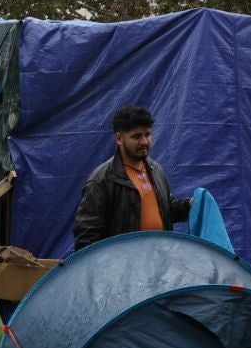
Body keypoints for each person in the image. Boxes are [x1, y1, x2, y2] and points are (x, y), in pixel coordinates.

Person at [73, 104, 192, 250]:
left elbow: (168, 210)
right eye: (136, 136)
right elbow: (86, 236)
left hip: (159, 262)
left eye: (147, 134)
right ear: (119, 139)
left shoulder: (156, 170)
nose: (144, 142)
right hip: (124, 268)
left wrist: (189, 205)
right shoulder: (102, 180)